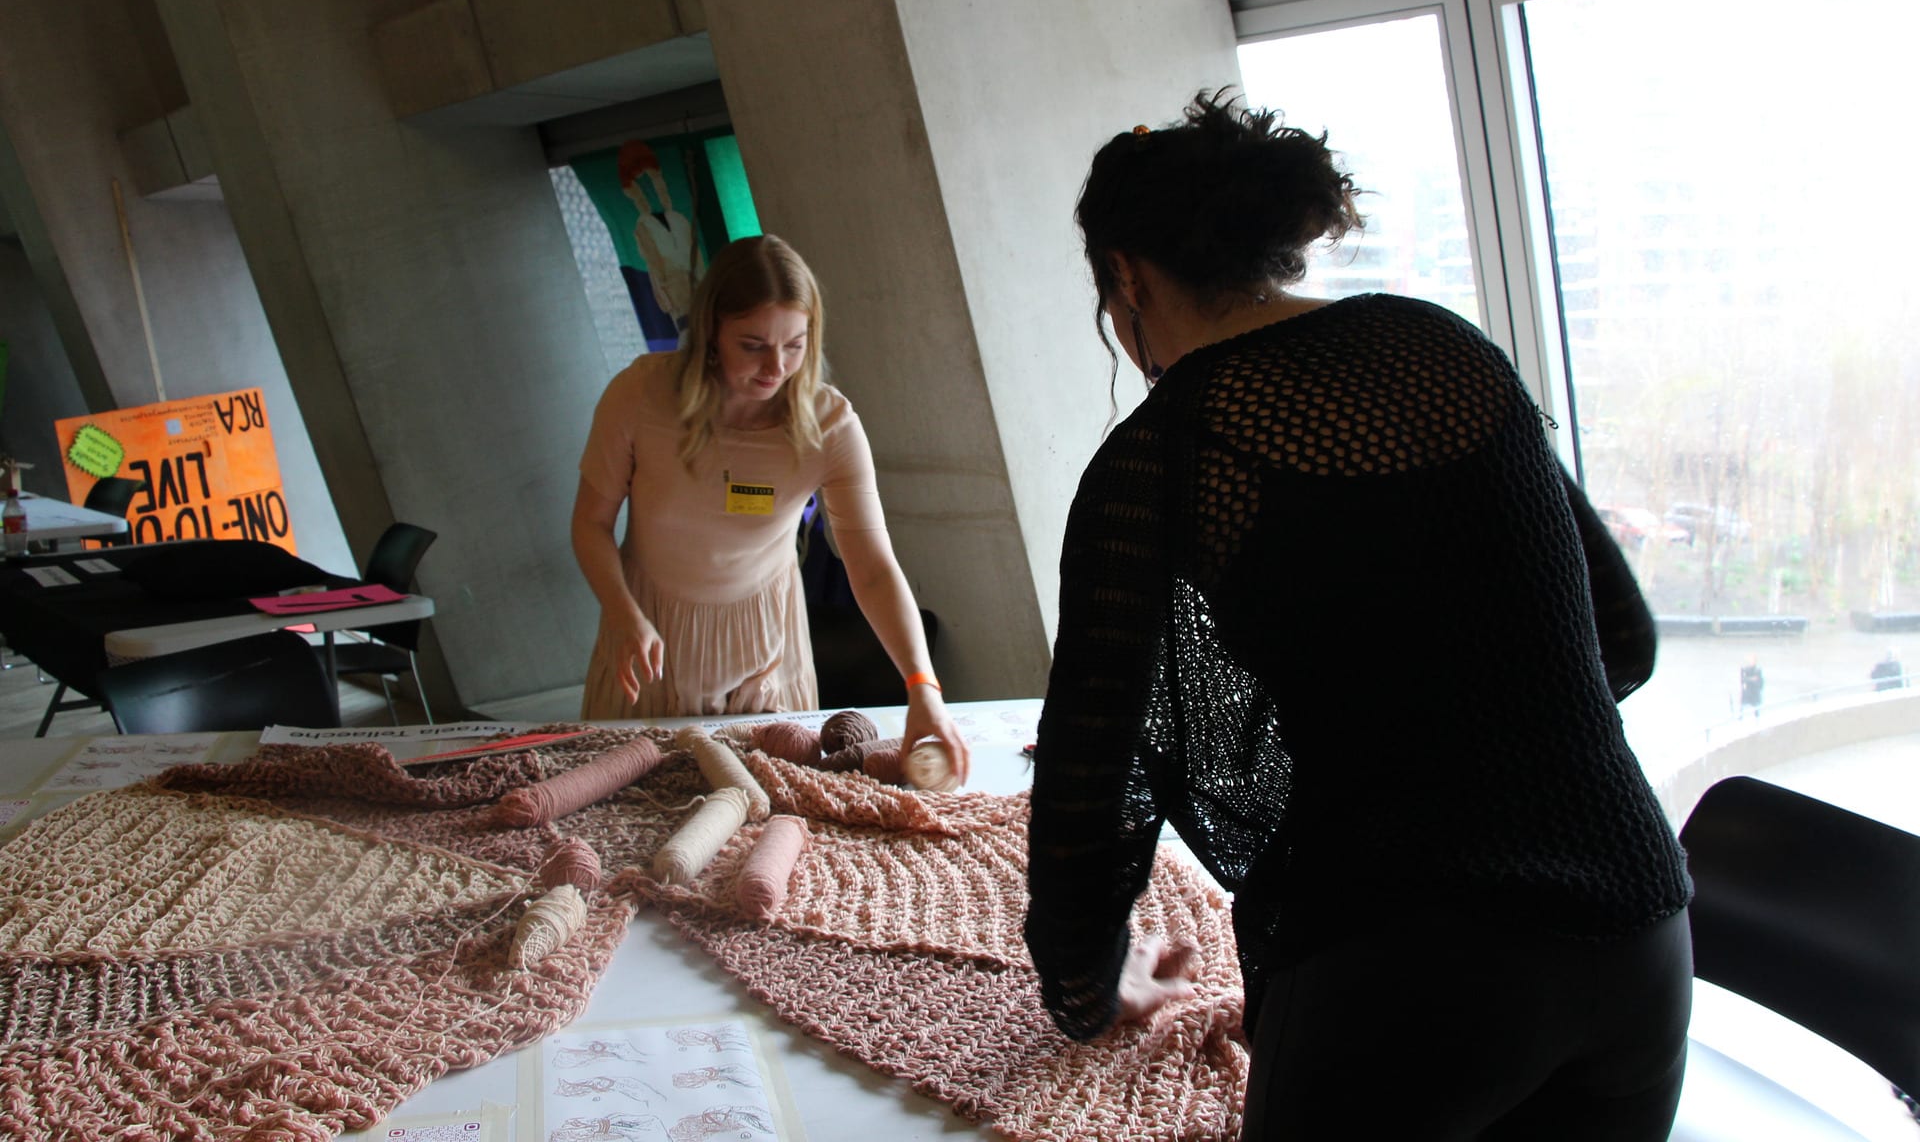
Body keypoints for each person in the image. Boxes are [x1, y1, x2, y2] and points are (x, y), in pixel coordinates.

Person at [1024, 93, 1692, 1140]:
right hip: (1640, 926)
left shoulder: (1161, 455)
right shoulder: (1444, 347)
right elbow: (1621, 639)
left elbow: (1088, 794)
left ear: (1126, 276)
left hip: (1407, 979)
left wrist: (1082, 993)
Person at [571, 234, 969, 780]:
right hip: (650, 636)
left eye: (795, 344)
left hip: (764, 648)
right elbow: (590, 525)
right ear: (711, 331)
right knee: (628, 808)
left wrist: (922, 685)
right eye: (753, 345)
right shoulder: (640, 394)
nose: (775, 367)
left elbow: (873, 569)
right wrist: (622, 615)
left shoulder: (829, 424)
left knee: (772, 807)